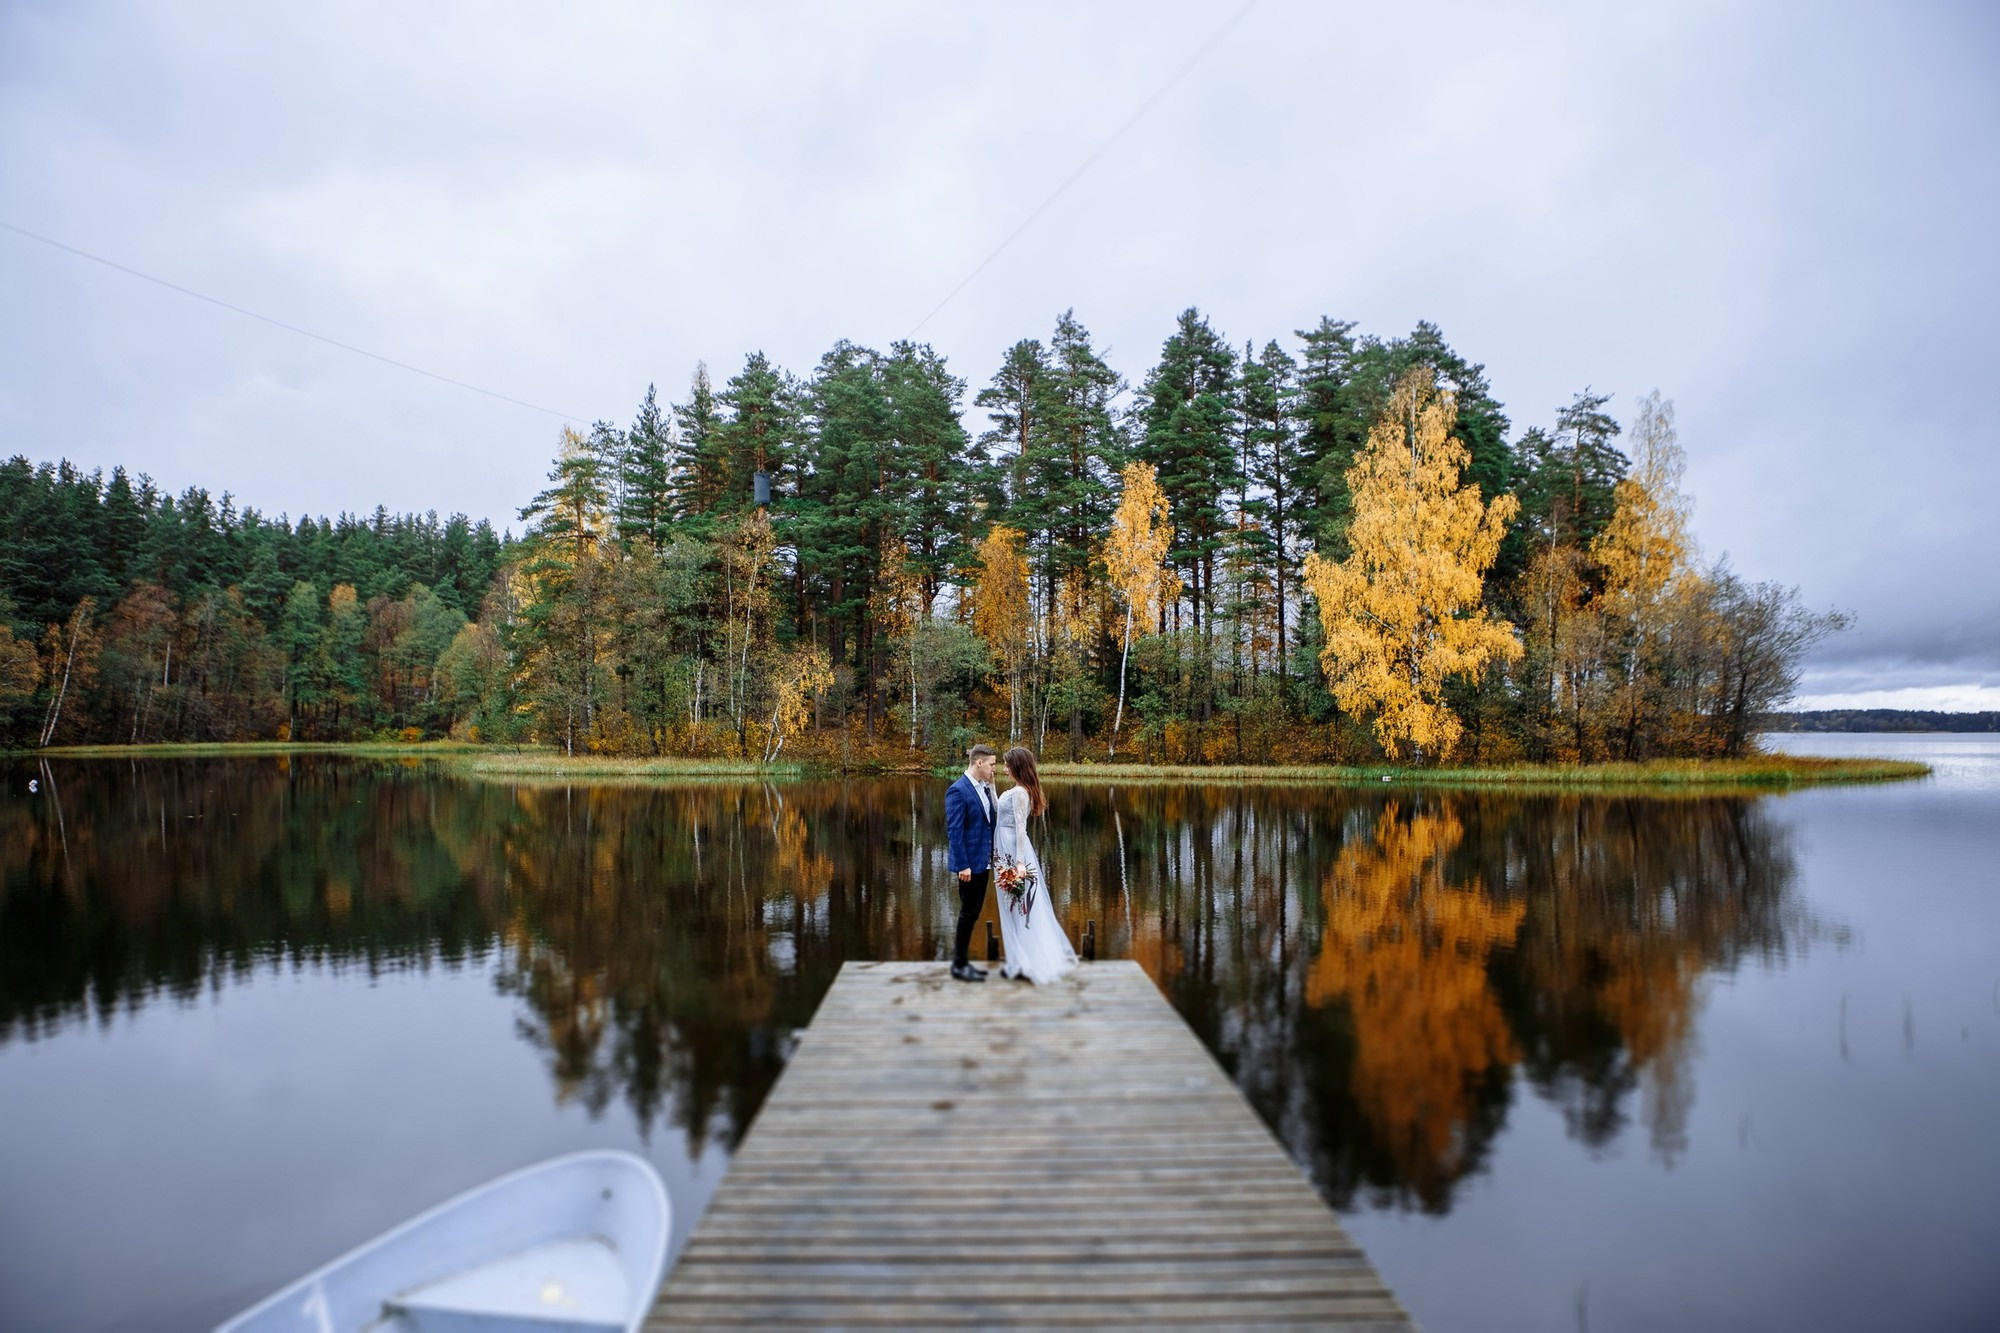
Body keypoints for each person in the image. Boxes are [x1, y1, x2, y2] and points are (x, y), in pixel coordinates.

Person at [991, 746, 1078, 984]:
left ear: (1018, 767)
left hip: (1013, 849)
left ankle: (1027, 960)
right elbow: (999, 812)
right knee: (1012, 905)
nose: (1005, 769)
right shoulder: (1017, 790)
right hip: (1004, 847)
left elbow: (1021, 828)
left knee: (1019, 905)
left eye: (1008, 765)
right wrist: (990, 786)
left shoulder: (1020, 793)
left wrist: (1019, 863)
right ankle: (1019, 959)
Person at [943, 744, 999, 982]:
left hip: (983, 862)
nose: (994, 769)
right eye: (992, 764)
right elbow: (954, 831)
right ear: (979, 763)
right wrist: (962, 865)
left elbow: (988, 825)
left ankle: (963, 963)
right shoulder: (958, 790)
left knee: (973, 912)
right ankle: (959, 965)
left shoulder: (984, 789)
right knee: (968, 913)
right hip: (969, 866)